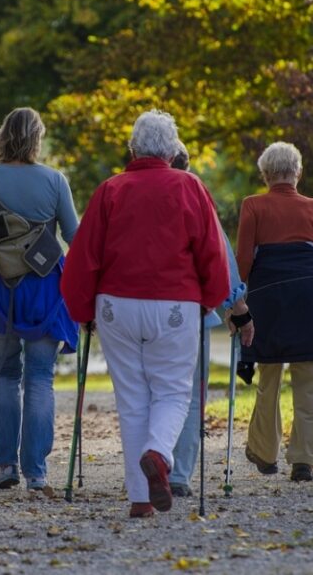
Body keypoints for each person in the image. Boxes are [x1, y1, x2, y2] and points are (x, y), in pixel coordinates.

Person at [61, 110, 230, 518]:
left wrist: (82, 309)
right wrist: (210, 298)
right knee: (173, 391)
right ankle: (158, 453)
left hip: (117, 304)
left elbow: (84, 257)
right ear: (173, 150)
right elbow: (212, 252)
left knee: (132, 398)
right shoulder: (190, 186)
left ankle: (140, 499)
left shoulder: (110, 190)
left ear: (132, 148)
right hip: (174, 302)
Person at [0, 107, 79, 492]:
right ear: (36, 139)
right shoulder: (55, 180)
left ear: (2, 136)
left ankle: (5, 466)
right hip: (45, 286)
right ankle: (37, 472)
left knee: (4, 373)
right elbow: (74, 239)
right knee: (41, 376)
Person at [235, 141, 313, 482]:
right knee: (312, 379)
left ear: (266, 174)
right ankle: (303, 461)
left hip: (268, 301)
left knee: (269, 377)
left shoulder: (252, 206)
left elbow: (242, 264)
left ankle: (265, 452)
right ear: (297, 173)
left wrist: (239, 298)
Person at [168, 142, 254, 497]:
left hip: (138, 310)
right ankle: (179, 474)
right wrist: (240, 311)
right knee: (189, 394)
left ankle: (152, 464)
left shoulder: (129, 193)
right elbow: (221, 259)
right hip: (192, 311)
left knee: (151, 393)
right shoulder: (196, 196)